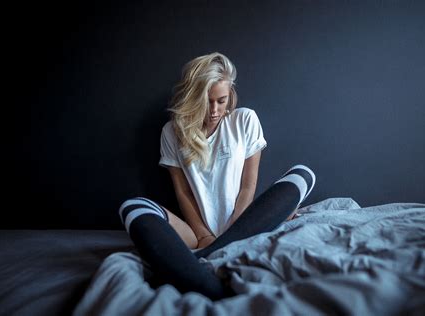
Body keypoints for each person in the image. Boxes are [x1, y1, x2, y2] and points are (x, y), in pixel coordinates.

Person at [119, 52, 316, 300]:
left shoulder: (244, 119)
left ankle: (203, 261)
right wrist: (203, 234)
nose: (214, 110)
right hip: (197, 233)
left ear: (230, 95)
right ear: (193, 98)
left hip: (245, 223)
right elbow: (183, 192)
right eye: (206, 102)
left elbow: (248, 185)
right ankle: (213, 256)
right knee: (132, 207)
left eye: (221, 101)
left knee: (303, 174)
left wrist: (235, 225)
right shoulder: (172, 131)